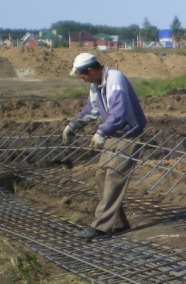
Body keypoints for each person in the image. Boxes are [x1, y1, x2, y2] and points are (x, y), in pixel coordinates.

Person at [62, 52, 147, 239]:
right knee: (101, 175)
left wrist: (101, 132)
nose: (82, 79)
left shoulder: (115, 79)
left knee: (114, 176)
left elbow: (119, 112)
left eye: (82, 75)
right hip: (113, 133)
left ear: (91, 70)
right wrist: (73, 125)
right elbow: (92, 110)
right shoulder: (96, 86)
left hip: (128, 134)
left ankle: (101, 226)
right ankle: (118, 223)